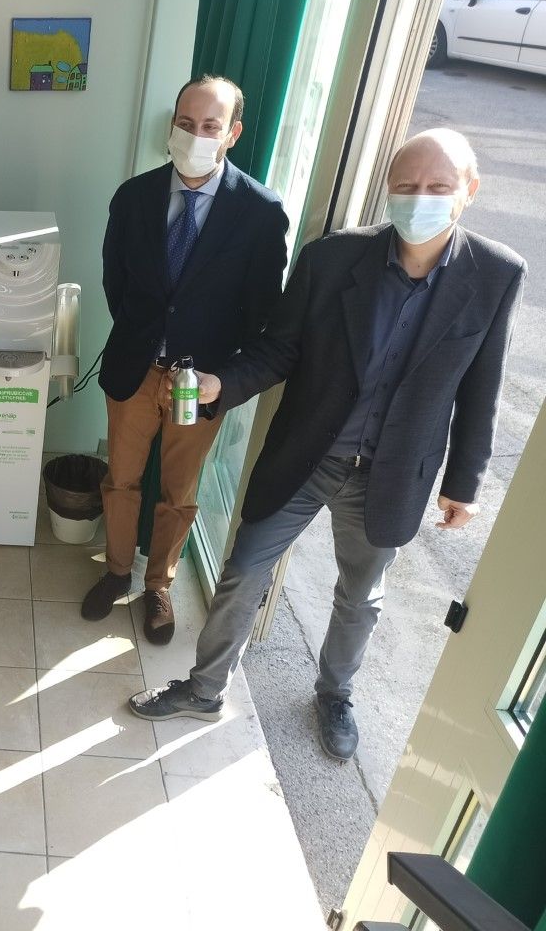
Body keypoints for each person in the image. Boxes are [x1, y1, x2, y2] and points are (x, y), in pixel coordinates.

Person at [128, 130, 526, 762]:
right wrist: (221, 383)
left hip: (393, 472)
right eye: (407, 185)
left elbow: (482, 386)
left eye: (438, 187)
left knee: (360, 598)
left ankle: (334, 695)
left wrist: (463, 484)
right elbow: (280, 349)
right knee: (244, 571)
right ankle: (205, 689)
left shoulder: (496, 274)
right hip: (308, 455)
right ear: (388, 189)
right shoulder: (333, 258)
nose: (420, 198)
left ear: (469, 191)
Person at [84, 75, 289, 644]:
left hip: (200, 382)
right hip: (135, 368)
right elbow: (115, 281)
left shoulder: (260, 212)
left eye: (210, 126)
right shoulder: (134, 197)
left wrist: (217, 370)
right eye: (185, 123)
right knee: (121, 479)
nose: (195, 135)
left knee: (178, 491)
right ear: (171, 124)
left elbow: (262, 311)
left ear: (232, 134)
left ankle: (158, 585)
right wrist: (145, 337)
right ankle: (116, 571)